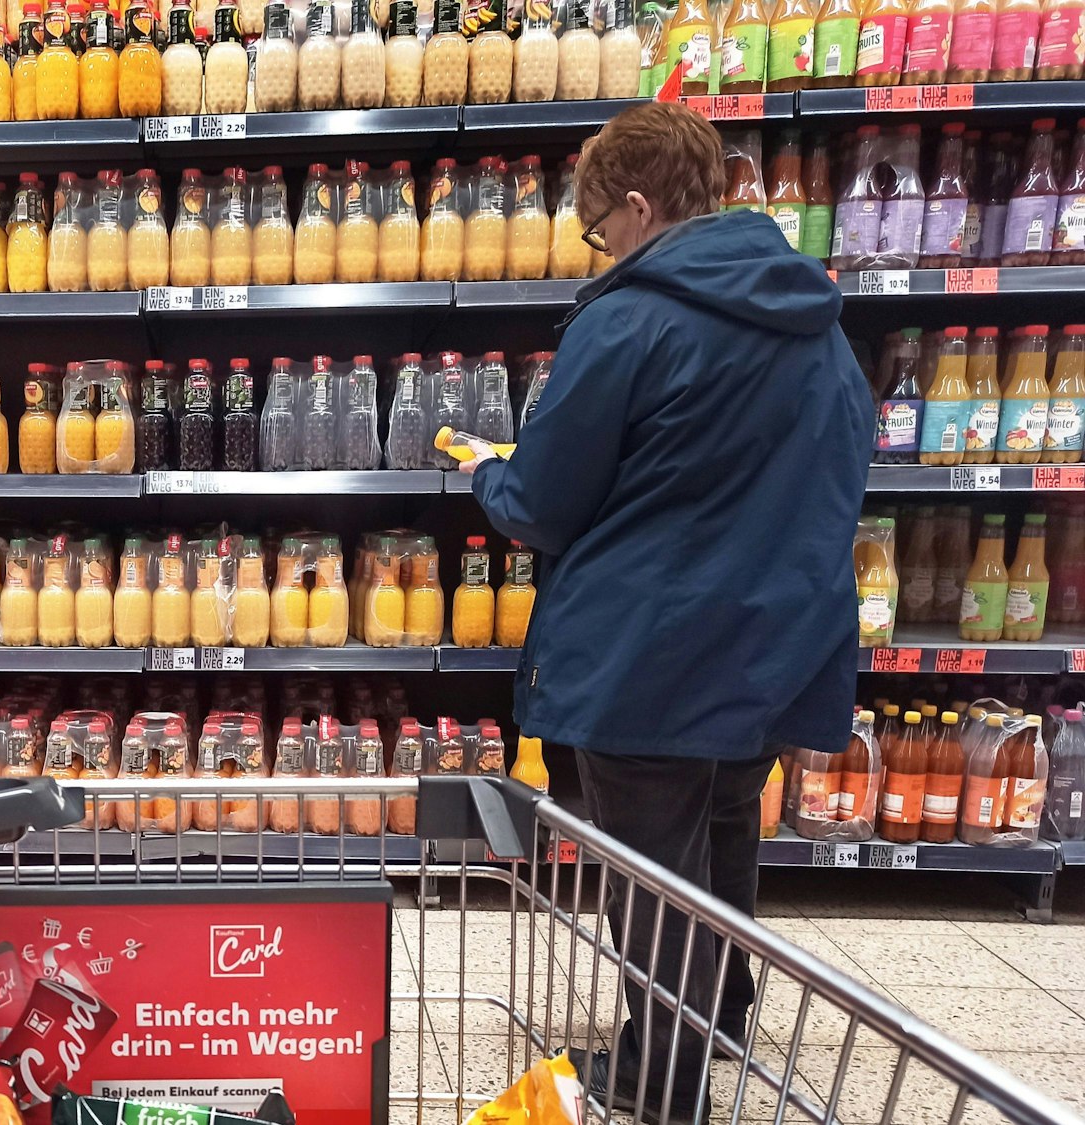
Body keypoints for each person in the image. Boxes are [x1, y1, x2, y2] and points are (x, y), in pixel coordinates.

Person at [461, 102, 871, 1125]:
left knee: (647, 879)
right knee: (723, 834)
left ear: (636, 207)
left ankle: (656, 1084)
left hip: (651, 651)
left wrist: (486, 474)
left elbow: (543, 503)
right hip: (775, 647)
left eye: (598, 230)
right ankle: (720, 1012)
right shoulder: (817, 323)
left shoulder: (629, 318)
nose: (598, 250)